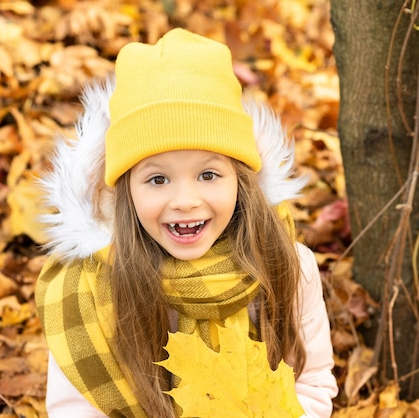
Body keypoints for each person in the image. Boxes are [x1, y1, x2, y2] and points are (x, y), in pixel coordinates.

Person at [35, 28, 338, 417]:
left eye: (208, 175)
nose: (185, 201)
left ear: (241, 180)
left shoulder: (288, 265)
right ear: (126, 191)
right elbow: (75, 409)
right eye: (157, 179)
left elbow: (312, 386)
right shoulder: (89, 290)